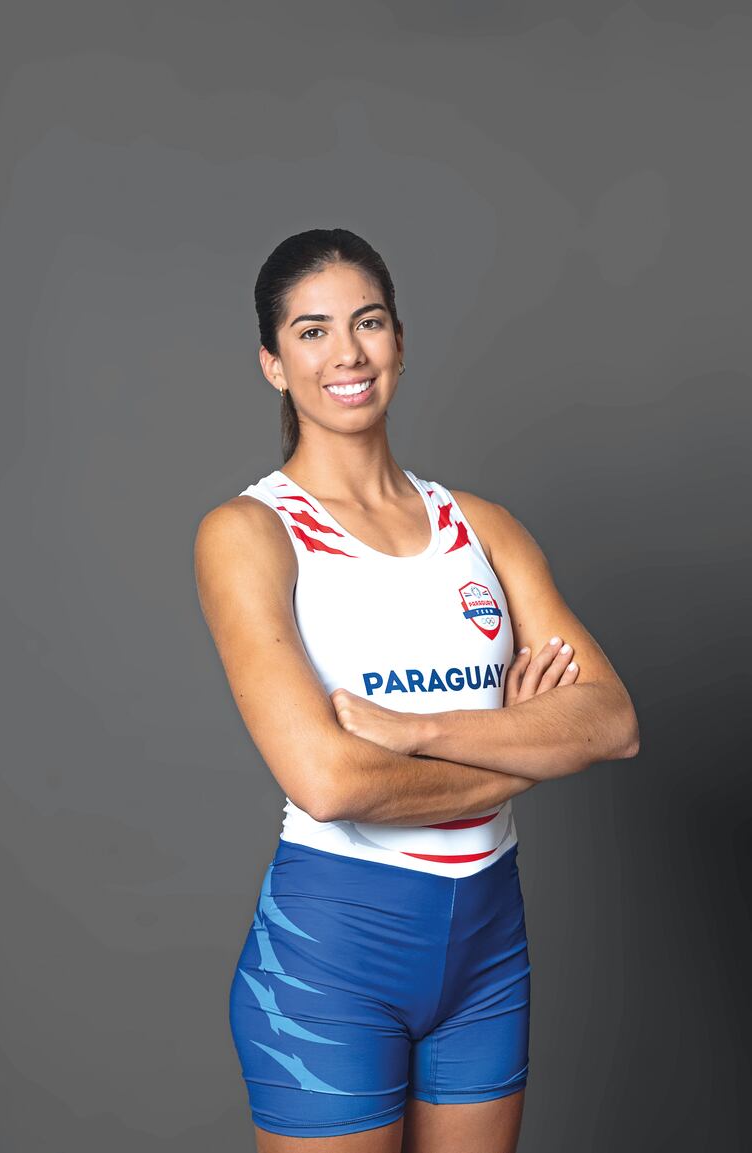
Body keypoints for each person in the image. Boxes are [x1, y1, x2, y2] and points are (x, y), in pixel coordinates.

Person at [194, 228, 639, 1153]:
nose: (347, 353)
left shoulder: (482, 527)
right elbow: (330, 782)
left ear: (399, 340)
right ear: (273, 364)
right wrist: (527, 746)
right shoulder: (250, 532)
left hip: (490, 956)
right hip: (330, 963)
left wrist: (417, 729)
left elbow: (612, 719)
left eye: (368, 322)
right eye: (312, 331)